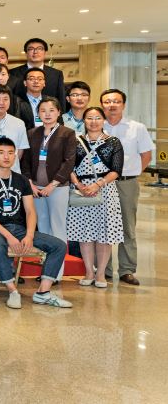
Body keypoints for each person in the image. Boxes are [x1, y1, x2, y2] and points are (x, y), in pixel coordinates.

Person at [0, 138, 72, 309]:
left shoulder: (22, 180)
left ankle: (43, 292)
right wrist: (8, 236)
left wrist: (30, 235)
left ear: (15, 156)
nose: (6, 157)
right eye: (1, 152)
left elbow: (31, 211)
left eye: (10, 153)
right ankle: (13, 291)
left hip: (19, 228)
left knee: (59, 245)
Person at [100, 89, 154, 285]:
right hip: (101, 184)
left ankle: (127, 269)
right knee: (102, 225)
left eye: (116, 101)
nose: (112, 105)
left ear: (123, 104)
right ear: (102, 105)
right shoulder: (97, 125)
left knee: (127, 227)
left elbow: (146, 155)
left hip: (127, 183)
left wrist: (133, 173)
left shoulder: (137, 128)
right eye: (107, 102)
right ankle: (104, 269)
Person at [70, 107, 124, 288]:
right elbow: (68, 166)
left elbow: (116, 170)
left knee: (104, 234)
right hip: (81, 191)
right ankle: (88, 272)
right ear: (84, 121)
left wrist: (98, 184)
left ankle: (100, 274)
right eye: (89, 118)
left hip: (106, 190)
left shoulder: (113, 142)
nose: (93, 122)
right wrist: (79, 185)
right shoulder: (76, 141)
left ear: (104, 120)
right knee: (84, 233)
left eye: (97, 118)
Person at [22, 98, 77, 241]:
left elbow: (69, 162)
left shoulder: (67, 133)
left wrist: (52, 185)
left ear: (58, 112)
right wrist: (30, 184)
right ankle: (46, 255)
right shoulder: (32, 133)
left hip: (58, 187)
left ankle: (59, 257)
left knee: (58, 225)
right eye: (43, 111)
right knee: (42, 224)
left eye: (51, 110)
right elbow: (25, 161)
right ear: (38, 114)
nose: (47, 114)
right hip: (36, 188)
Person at [9, 38, 66, 102]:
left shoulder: (56, 74)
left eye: (39, 49)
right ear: (26, 53)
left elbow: (61, 98)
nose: (35, 52)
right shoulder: (13, 73)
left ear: (45, 52)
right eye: (31, 49)